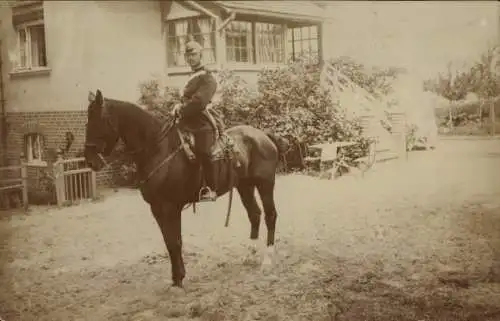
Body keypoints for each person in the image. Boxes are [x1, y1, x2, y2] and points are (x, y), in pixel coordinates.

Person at [172, 40, 218, 202]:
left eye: (194, 54)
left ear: (201, 55)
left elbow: (199, 102)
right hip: (185, 120)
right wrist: (178, 106)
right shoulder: (191, 76)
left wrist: (182, 110)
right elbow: (185, 98)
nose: (191, 58)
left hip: (201, 121)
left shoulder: (207, 77)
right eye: (188, 55)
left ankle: (211, 188)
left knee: (203, 150)